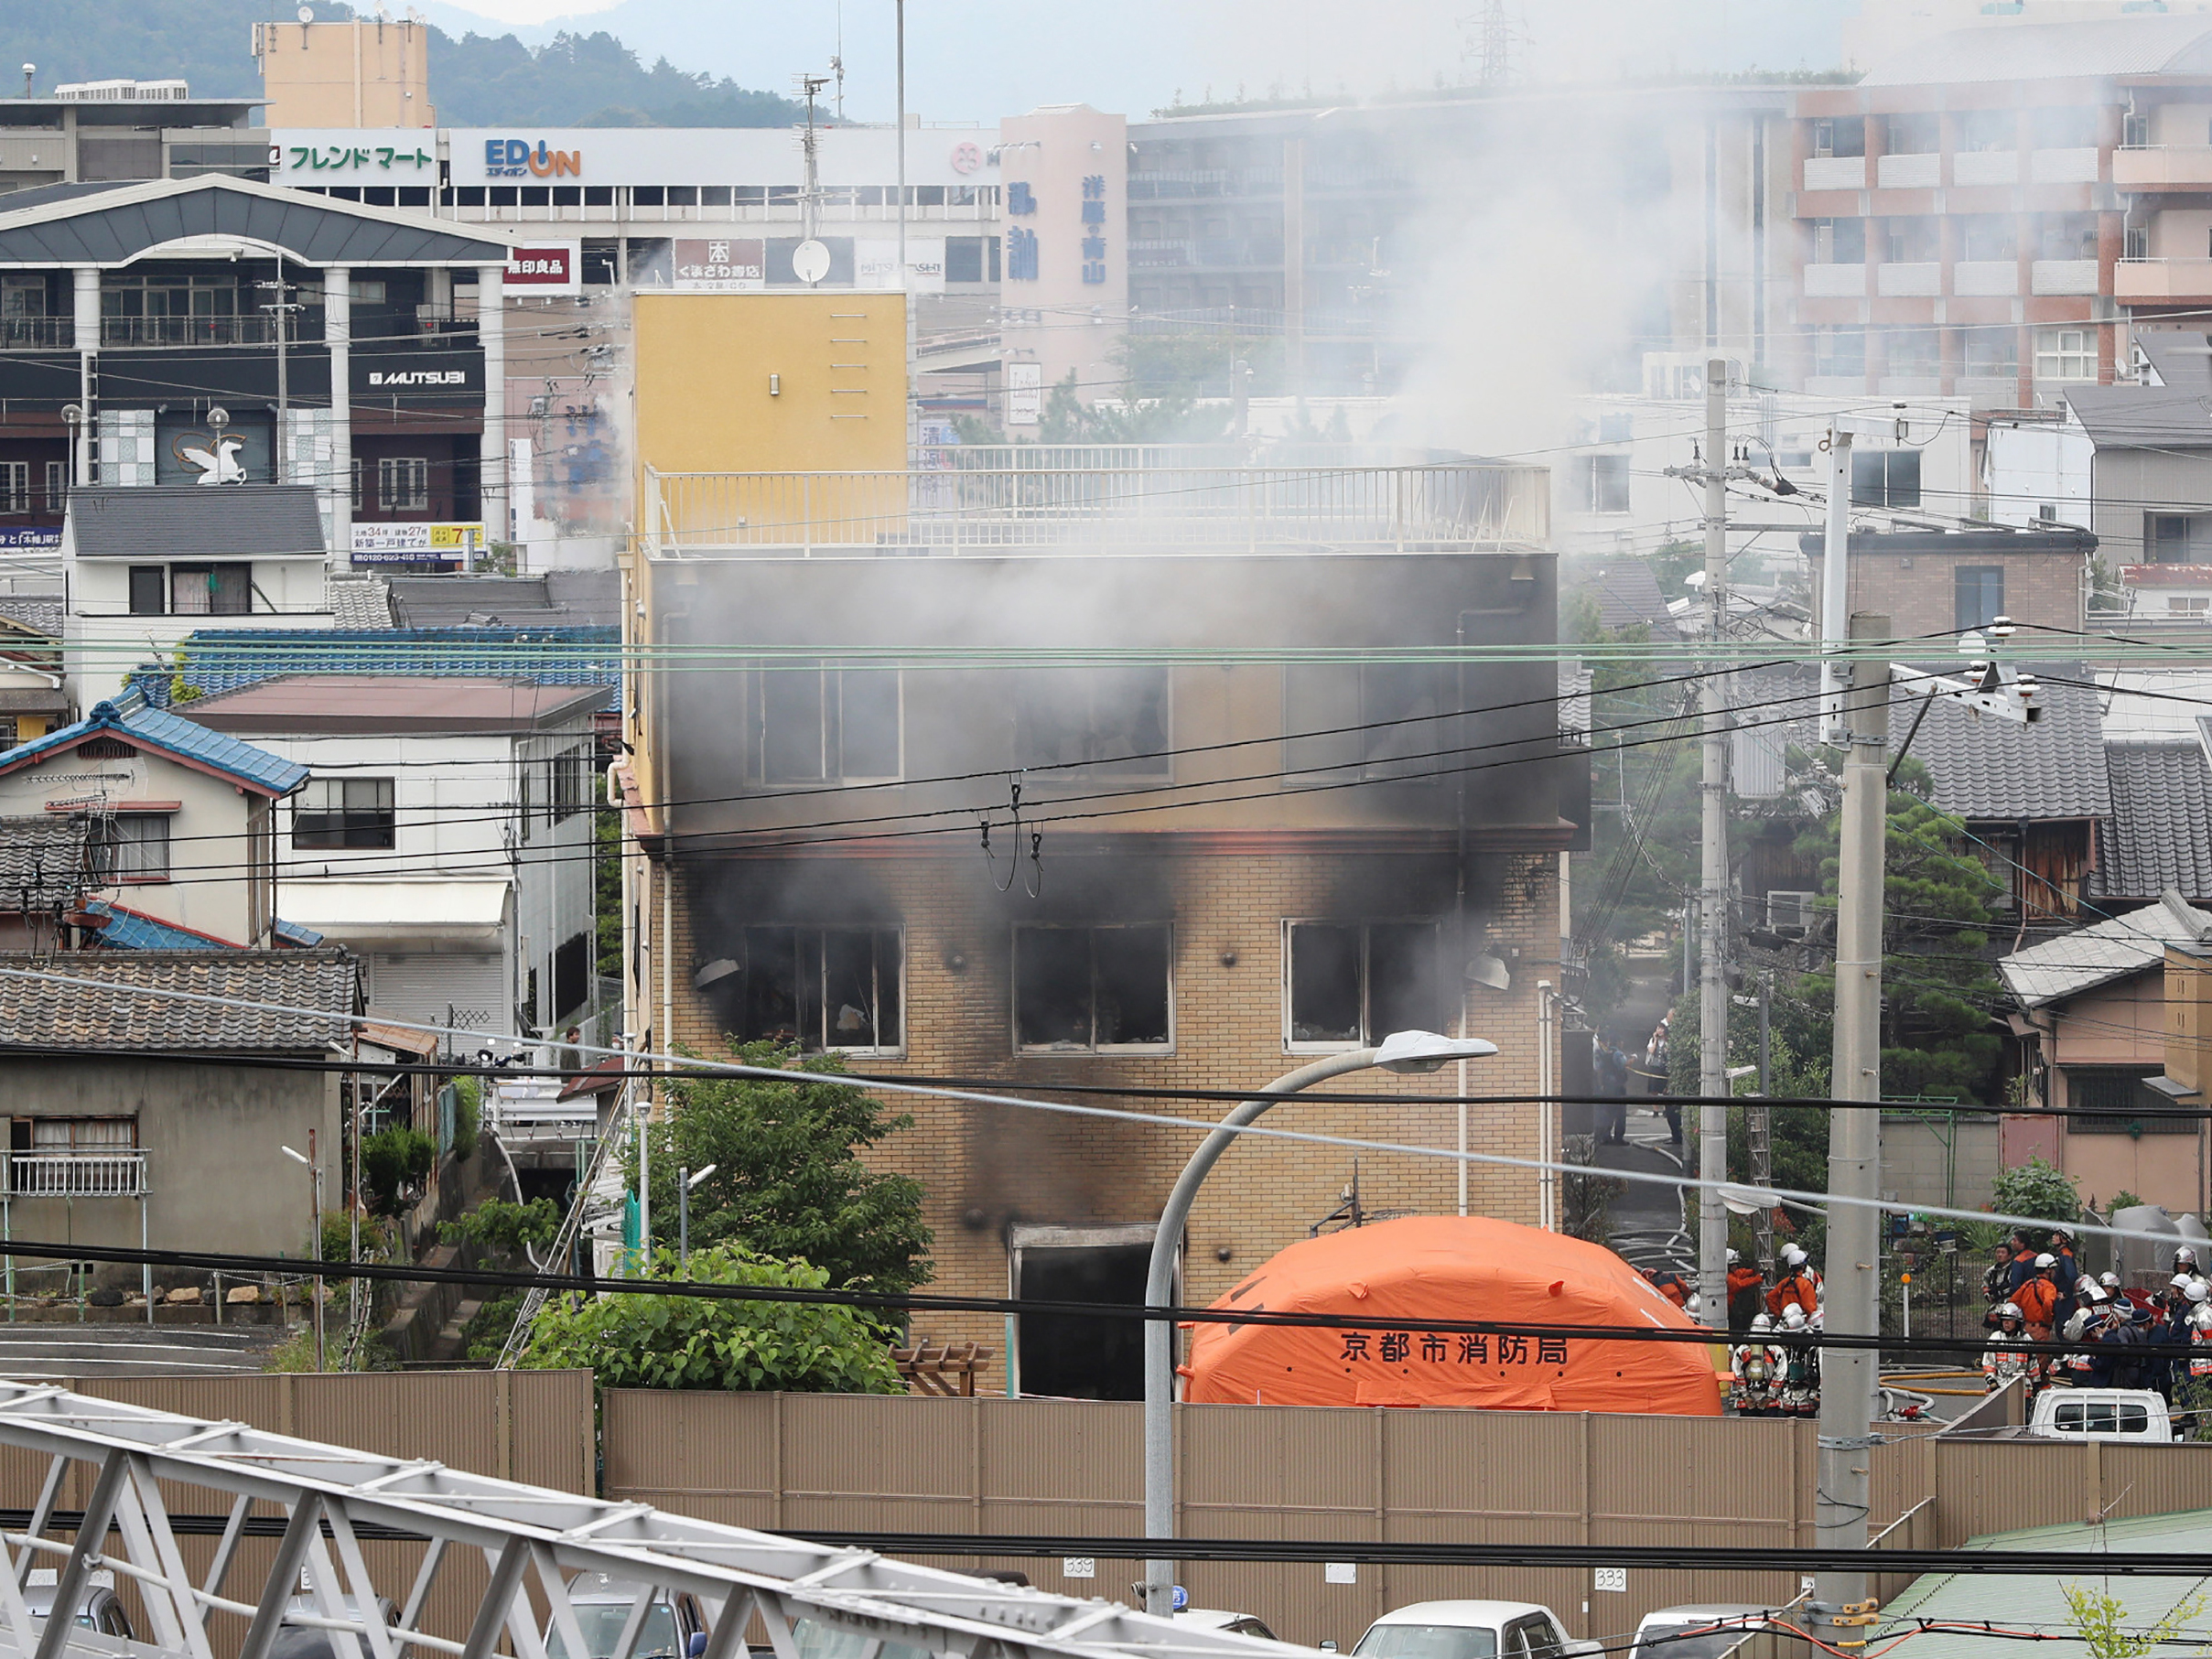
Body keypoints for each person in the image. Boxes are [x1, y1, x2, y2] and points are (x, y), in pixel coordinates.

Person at [1982, 1302, 2039, 1398]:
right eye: (2004, 1320)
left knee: (2022, 1412)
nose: (2006, 1323)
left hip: (2021, 1386)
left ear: (2017, 1322)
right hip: (2000, 1385)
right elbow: (1988, 1363)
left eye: (2009, 1320)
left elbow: (2033, 1365)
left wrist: (2036, 1382)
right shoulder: (1996, 1338)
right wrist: (1992, 1381)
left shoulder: (2026, 1339)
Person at [1730, 1314, 1782, 1417]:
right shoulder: (1777, 1350)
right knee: (1771, 1430)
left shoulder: (1742, 1350)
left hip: (1746, 1402)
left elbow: (1737, 1373)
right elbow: (1780, 1375)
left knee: (1748, 1431)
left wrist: (1745, 1396)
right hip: (1770, 1402)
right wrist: (1770, 1396)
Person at [1776, 1304, 1819, 1417]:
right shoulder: (1784, 1347)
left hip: (1807, 1397)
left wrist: (1818, 1394)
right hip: (1787, 1396)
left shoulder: (1813, 1348)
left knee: (1807, 1429)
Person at [2013, 1254, 2062, 1340]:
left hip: (2026, 1328)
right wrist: (2048, 1321)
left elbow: (2013, 1302)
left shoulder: (2027, 1284)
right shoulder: (2049, 1287)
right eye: (2053, 1269)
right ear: (2048, 1270)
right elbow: (2048, 1303)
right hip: (2041, 1329)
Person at [1766, 1244, 1822, 1320]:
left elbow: (1770, 1297)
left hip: (1787, 1322)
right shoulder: (1805, 1283)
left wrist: (1779, 1315)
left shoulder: (1785, 1282)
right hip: (1801, 1322)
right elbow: (1810, 1308)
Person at [1594, 1037, 1630, 1146]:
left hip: (1607, 1087)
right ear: (1619, 1042)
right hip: (1618, 1087)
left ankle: (1606, 1136)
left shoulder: (1604, 1054)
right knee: (1620, 1114)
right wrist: (1633, 1058)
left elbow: (1599, 1068)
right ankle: (1618, 1138)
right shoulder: (1618, 1054)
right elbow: (1623, 1064)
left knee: (1608, 1113)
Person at [1726, 1248, 1766, 1336]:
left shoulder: (1731, 1274)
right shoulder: (1728, 1278)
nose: (1736, 1266)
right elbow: (1740, 1284)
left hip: (1731, 1308)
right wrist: (1758, 1278)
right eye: (1733, 1264)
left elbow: (1740, 1273)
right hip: (1729, 1311)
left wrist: (1752, 1271)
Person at [1981, 1241, 2018, 1307]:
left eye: (2003, 1253)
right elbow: (1985, 1283)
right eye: (1998, 1252)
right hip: (1995, 1304)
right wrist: (1987, 1294)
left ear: (2009, 1256)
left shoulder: (2015, 1270)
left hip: (2012, 1304)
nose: (2000, 1255)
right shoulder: (1991, 1271)